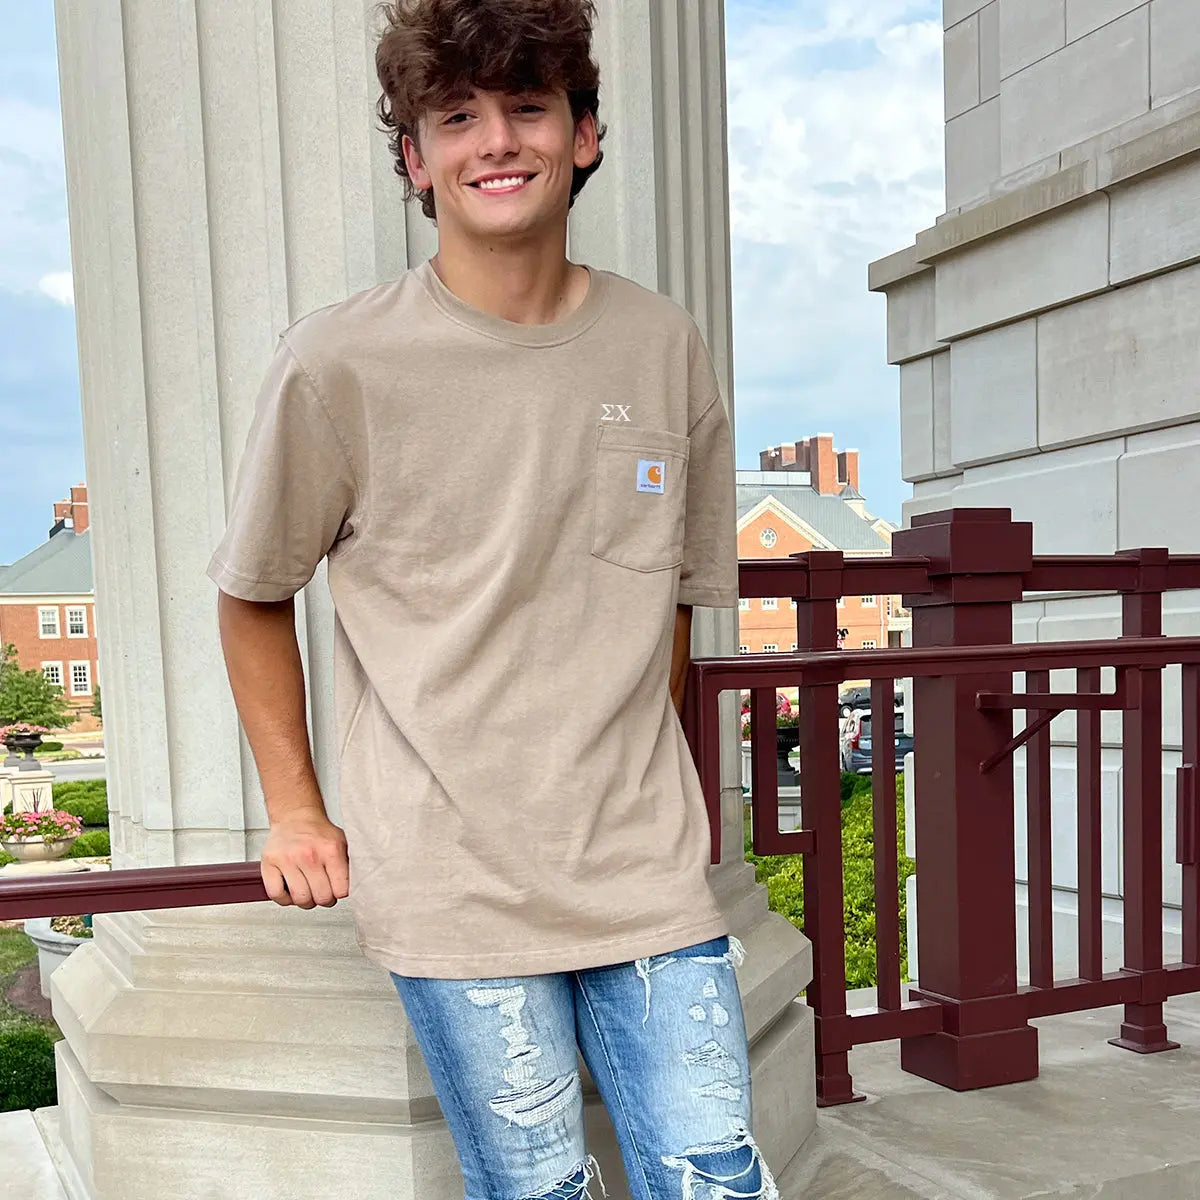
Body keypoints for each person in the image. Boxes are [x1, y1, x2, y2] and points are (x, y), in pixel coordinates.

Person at [207, 1, 778, 1196]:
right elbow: (253, 593)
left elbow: (672, 604)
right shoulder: (336, 363)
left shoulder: (663, 344)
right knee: (538, 1190)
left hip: (643, 867)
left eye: (527, 107)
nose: (497, 141)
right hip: (453, 873)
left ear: (585, 134)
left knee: (718, 1179)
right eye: (456, 117)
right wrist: (296, 811)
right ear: (415, 159)